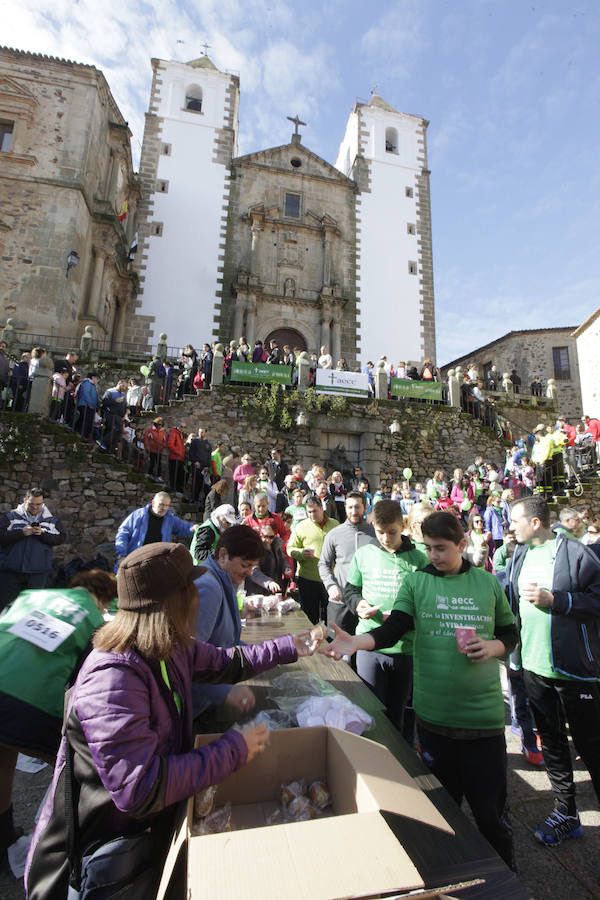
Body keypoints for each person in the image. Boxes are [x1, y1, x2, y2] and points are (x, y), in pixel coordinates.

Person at [25, 541, 319, 898]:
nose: (198, 593)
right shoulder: (113, 678)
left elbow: (226, 662)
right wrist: (233, 749)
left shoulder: (170, 644)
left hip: (145, 834)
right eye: (190, 587)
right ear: (173, 601)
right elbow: (141, 789)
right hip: (107, 853)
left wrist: (291, 646)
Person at [322, 511, 518, 869]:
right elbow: (394, 628)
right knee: (442, 813)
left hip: (484, 720)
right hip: (435, 720)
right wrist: (358, 642)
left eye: (441, 549)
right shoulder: (417, 583)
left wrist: (494, 648)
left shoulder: (487, 584)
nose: (433, 556)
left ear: (462, 545)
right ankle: (451, 875)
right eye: (428, 548)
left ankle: (507, 878)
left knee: (491, 817)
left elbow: (510, 631)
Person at [0, 570, 116, 857]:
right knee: (75, 769)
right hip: (30, 708)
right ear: (104, 600)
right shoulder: (93, 618)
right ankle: (67, 848)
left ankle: (3, 840)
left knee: (3, 759)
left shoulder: (32, 596)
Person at [506, 496, 600, 845]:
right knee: (554, 746)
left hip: (575, 672)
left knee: (591, 746)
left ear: (535, 522)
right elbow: (508, 595)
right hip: (533, 666)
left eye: (515, 520)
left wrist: (556, 600)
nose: (510, 526)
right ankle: (566, 812)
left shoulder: (577, 553)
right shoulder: (519, 552)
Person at [342, 500, 426, 739]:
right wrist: (358, 604)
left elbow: (426, 600)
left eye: (392, 532)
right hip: (370, 644)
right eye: (380, 532)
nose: (386, 538)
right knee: (370, 713)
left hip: (405, 649)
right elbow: (350, 590)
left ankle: (399, 763)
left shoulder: (419, 559)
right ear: (373, 527)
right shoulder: (364, 554)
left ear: (403, 525)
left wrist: (405, 617)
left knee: (398, 716)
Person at [318, 491, 377, 633]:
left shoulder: (376, 533)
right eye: (350, 507)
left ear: (365, 507)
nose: (354, 511)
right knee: (337, 650)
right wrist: (330, 585)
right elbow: (323, 563)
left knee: (364, 649)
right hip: (340, 602)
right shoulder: (334, 534)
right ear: (345, 507)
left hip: (367, 602)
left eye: (357, 507)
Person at [0, 488, 66, 612]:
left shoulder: (52, 520)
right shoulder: (10, 517)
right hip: (10, 572)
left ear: (43, 503)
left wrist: (42, 534)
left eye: (38, 504)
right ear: (25, 500)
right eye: (32, 504)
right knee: (4, 609)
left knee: (31, 612)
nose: (35, 507)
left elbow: (60, 539)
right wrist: (21, 533)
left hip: (37, 574)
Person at [288, 496, 339, 623]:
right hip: (308, 578)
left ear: (322, 508)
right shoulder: (301, 526)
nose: (312, 515)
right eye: (309, 512)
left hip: (330, 579)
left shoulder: (335, 525)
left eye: (315, 511)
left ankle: (329, 642)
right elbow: (290, 548)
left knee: (330, 617)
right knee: (310, 618)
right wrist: (301, 553)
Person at [114, 492, 197, 570]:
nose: (164, 508)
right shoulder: (138, 516)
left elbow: (182, 527)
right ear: (153, 503)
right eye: (161, 505)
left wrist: (194, 528)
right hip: (136, 561)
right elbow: (123, 534)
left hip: (158, 563)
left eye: (167, 505)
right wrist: (121, 556)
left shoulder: (169, 518)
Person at [100, 379, 128, 453]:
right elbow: (104, 402)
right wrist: (115, 401)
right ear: (119, 383)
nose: (124, 388)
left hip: (119, 416)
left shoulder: (123, 394)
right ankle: (103, 442)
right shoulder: (110, 392)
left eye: (125, 387)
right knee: (114, 429)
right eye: (123, 386)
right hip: (110, 414)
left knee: (119, 433)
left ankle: (110, 449)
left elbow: (125, 405)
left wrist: (126, 411)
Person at [74, 372, 99, 439]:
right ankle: (81, 435)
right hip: (85, 405)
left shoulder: (92, 385)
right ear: (93, 377)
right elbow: (86, 393)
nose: (98, 380)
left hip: (89, 406)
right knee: (85, 421)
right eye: (97, 378)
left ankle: (84, 436)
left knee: (88, 422)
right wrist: (90, 404)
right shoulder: (87, 383)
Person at [144, 416, 168, 481]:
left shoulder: (163, 432)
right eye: (158, 424)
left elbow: (165, 441)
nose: (160, 426)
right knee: (151, 462)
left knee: (158, 463)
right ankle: (149, 474)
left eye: (161, 424)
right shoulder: (150, 430)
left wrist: (163, 446)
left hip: (159, 450)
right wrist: (147, 446)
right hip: (152, 449)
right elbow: (146, 438)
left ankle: (158, 476)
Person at [167, 422, 186, 494]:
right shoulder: (174, 433)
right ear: (178, 426)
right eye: (182, 427)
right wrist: (178, 452)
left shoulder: (181, 434)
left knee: (180, 474)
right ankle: (173, 489)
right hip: (174, 457)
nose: (183, 428)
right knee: (174, 474)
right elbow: (170, 444)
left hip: (180, 458)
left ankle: (178, 489)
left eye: (184, 427)